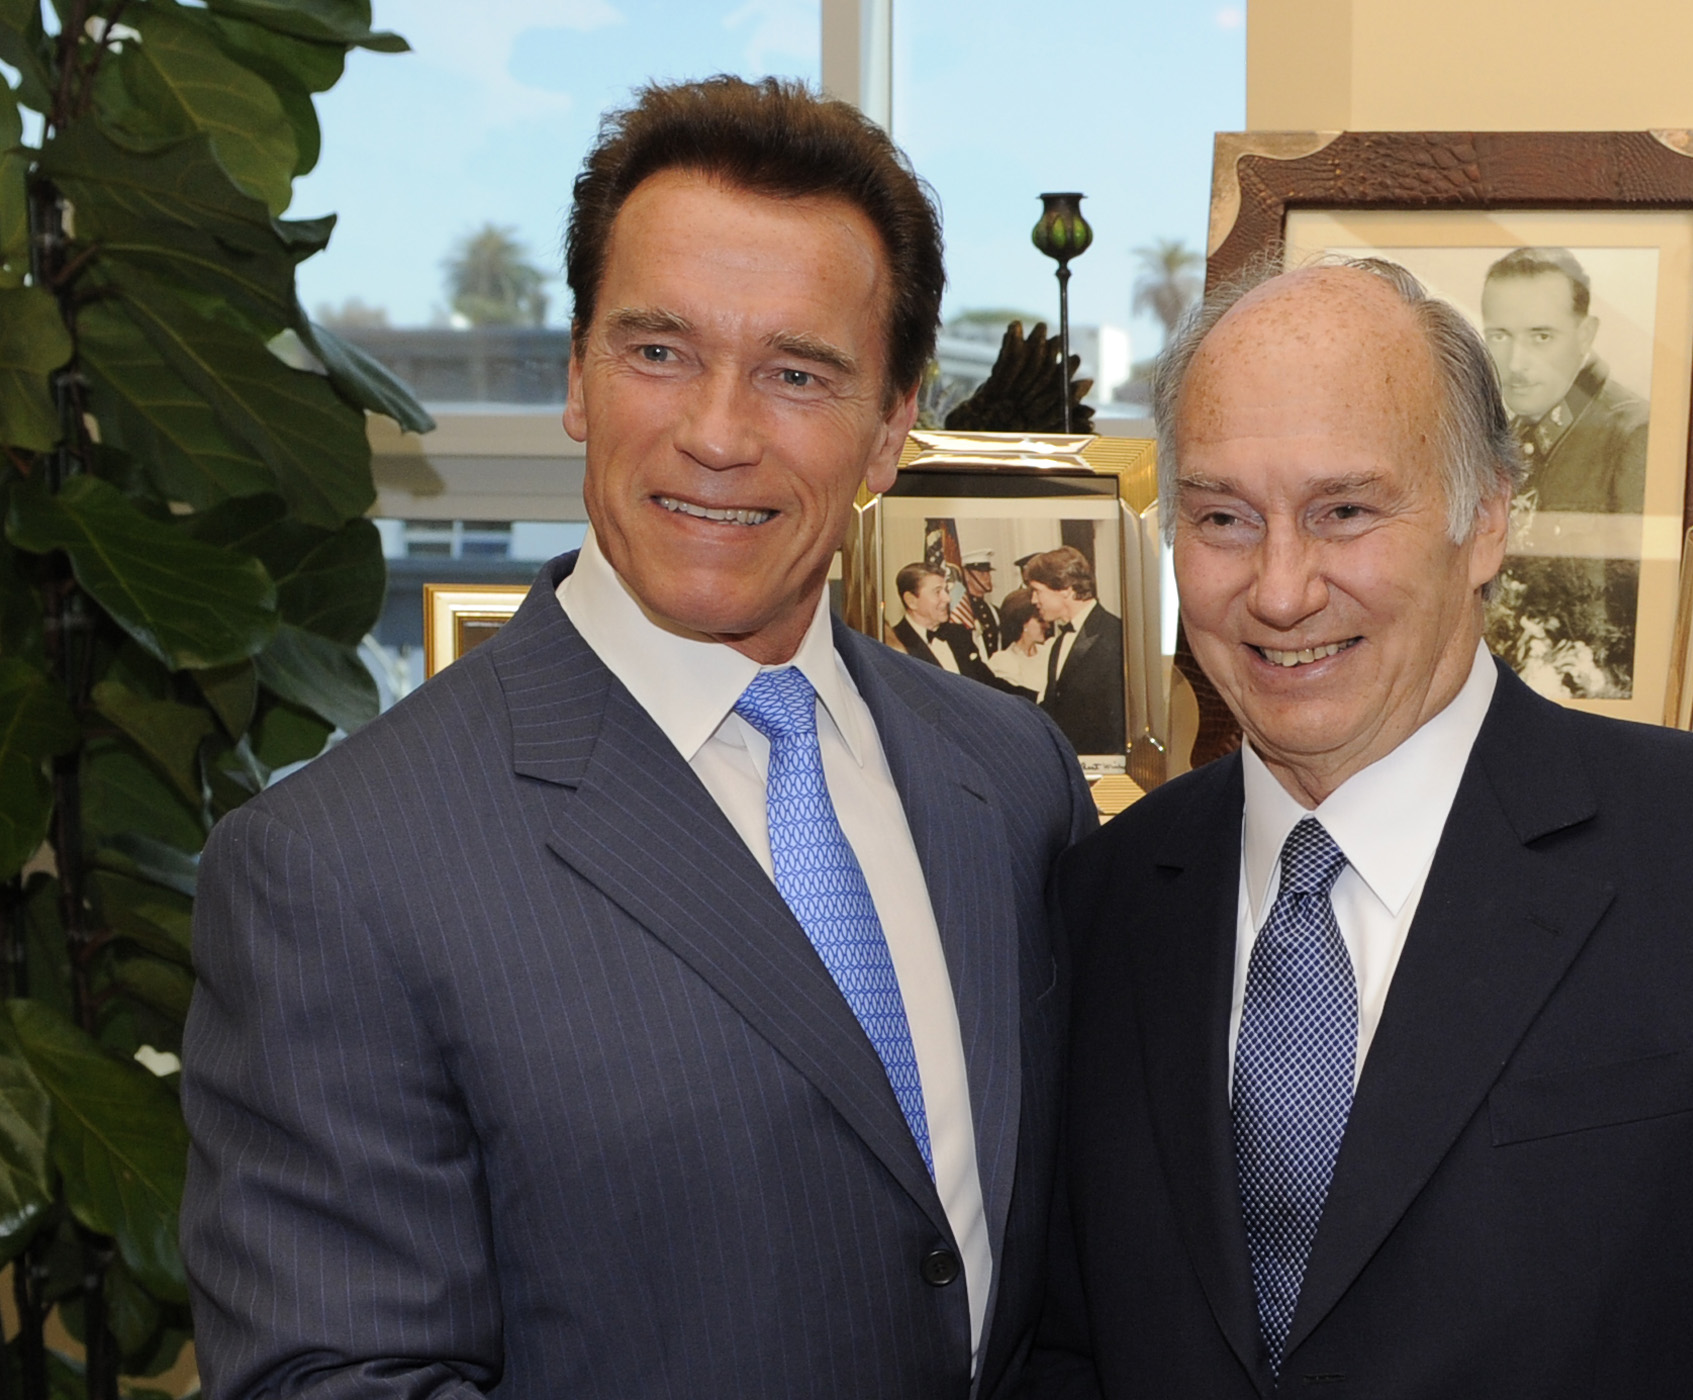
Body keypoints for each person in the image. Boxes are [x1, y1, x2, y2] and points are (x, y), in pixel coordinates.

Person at [182, 77, 1095, 1400]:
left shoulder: (1011, 782)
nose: (715, 434)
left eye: (797, 372)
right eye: (659, 350)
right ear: (575, 377)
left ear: (892, 428)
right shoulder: (334, 871)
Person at [1027, 255, 1693, 1396]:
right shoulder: (1099, 899)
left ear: (1487, 518)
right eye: (1222, 518)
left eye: (1345, 510)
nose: (1282, 586)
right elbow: (1064, 1345)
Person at [1480, 246, 1649, 515]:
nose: (1515, 363)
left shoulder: (1635, 436)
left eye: (1541, 337)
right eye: (1500, 336)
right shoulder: (1504, 437)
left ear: (1585, 336)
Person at [1026, 545, 1125, 758]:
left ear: (1066, 589)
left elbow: (1118, 726)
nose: (1034, 600)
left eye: (1037, 591)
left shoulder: (1115, 635)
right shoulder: (1059, 642)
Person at [894, 559, 994, 679]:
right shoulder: (895, 644)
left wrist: (1021, 695)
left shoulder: (959, 634)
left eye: (946, 590)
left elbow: (988, 683)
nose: (947, 599)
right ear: (911, 601)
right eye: (937, 592)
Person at [986, 588, 1052, 700]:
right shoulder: (1003, 661)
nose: (1047, 626)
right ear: (1022, 622)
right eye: (1040, 620)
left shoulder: (1050, 651)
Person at [957, 548, 1004, 654]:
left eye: (988, 572)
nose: (988, 577)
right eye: (981, 573)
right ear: (967, 575)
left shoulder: (993, 611)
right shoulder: (962, 611)